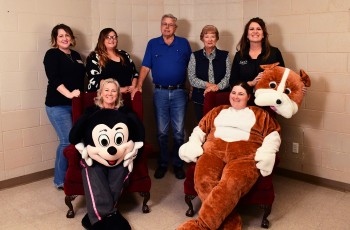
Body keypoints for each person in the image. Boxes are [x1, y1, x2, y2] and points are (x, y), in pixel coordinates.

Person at [178, 81, 281, 230]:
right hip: (213, 152)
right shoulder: (218, 110)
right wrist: (193, 144)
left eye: (241, 94)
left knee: (231, 183)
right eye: (233, 92)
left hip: (244, 157)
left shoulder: (260, 114)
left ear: (248, 97)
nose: (236, 96)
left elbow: (273, 135)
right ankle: (231, 222)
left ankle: (201, 226)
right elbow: (199, 130)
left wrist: (267, 153)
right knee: (202, 181)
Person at [69, 78, 144, 230]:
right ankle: (108, 216)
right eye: (106, 90)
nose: (110, 93)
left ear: (118, 94)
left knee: (120, 171)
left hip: (119, 158)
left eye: (114, 90)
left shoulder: (125, 112)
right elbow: (74, 135)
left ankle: (95, 217)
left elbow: (140, 134)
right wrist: (85, 150)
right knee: (93, 170)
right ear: (101, 93)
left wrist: (132, 152)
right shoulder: (91, 111)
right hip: (95, 157)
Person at [131, 13, 192, 179]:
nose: (167, 27)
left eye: (170, 24)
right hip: (160, 93)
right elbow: (145, 67)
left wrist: (191, 87)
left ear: (175, 28)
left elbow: (191, 68)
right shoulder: (153, 44)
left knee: (179, 132)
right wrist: (138, 86)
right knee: (162, 132)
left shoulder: (184, 43)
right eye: (164, 24)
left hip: (180, 92)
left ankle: (178, 163)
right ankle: (163, 163)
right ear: (161, 26)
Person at [43, 24, 85, 190]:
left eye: (67, 35)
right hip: (58, 105)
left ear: (72, 38)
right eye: (61, 36)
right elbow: (53, 79)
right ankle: (59, 180)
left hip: (75, 105)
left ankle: (75, 175)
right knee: (67, 141)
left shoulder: (76, 55)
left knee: (78, 140)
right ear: (55, 39)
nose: (65, 38)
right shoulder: (52, 54)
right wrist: (68, 94)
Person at [230, 17, 285, 104]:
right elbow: (233, 82)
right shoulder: (239, 56)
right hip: (243, 103)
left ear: (263, 34)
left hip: (268, 102)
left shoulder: (274, 53)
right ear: (247, 35)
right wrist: (250, 83)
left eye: (259, 29)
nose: (255, 31)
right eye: (251, 29)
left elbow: (283, 78)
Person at [188, 25, 231, 122]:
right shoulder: (195, 56)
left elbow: (228, 77)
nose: (210, 39)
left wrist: (217, 87)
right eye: (206, 36)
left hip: (221, 98)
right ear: (202, 38)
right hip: (200, 99)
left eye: (213, 36)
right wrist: (209, 85)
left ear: (217, 38)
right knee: (203, 127)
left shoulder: (225, 55)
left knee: (221, 128)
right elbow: (192, 78)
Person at [86, 28, 139, 93]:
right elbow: (94, 79)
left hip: (126, 96)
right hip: (102, 98)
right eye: (108, 37)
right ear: (102, 40)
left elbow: (135, 73)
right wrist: (119, 90)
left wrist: (133, 87)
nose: (112, 39)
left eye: (114, 37)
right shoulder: (94, 56)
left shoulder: (124, 54)